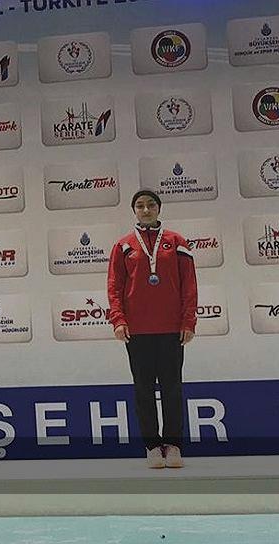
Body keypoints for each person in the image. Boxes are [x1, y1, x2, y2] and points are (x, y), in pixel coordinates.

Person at [107, 189, 197, 469]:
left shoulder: (176, 242)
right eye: (140, 206)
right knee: (143, 390)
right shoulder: (123, 245)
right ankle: (152, 446)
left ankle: (173, 445)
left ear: (158, 208)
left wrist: (188, 321)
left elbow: (189, 285)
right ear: (134, 210)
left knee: (172, 389)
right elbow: (114, 286)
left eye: (150, 205)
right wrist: (118, 320)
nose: (145, 210)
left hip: (171, 329)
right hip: (137, 331)